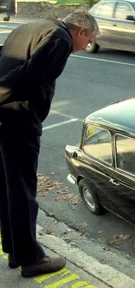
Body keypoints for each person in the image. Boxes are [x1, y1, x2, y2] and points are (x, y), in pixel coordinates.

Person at [0, 11, 98, 278]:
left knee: (9, 189)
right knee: (23, 191)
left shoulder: (29, 28)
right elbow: (29, 76)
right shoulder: (60, 39)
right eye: (88, 41)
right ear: (80, 31)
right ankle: (31, 260)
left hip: (5, 120)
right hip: (20, 121)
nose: (85, 48)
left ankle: (14, 251)